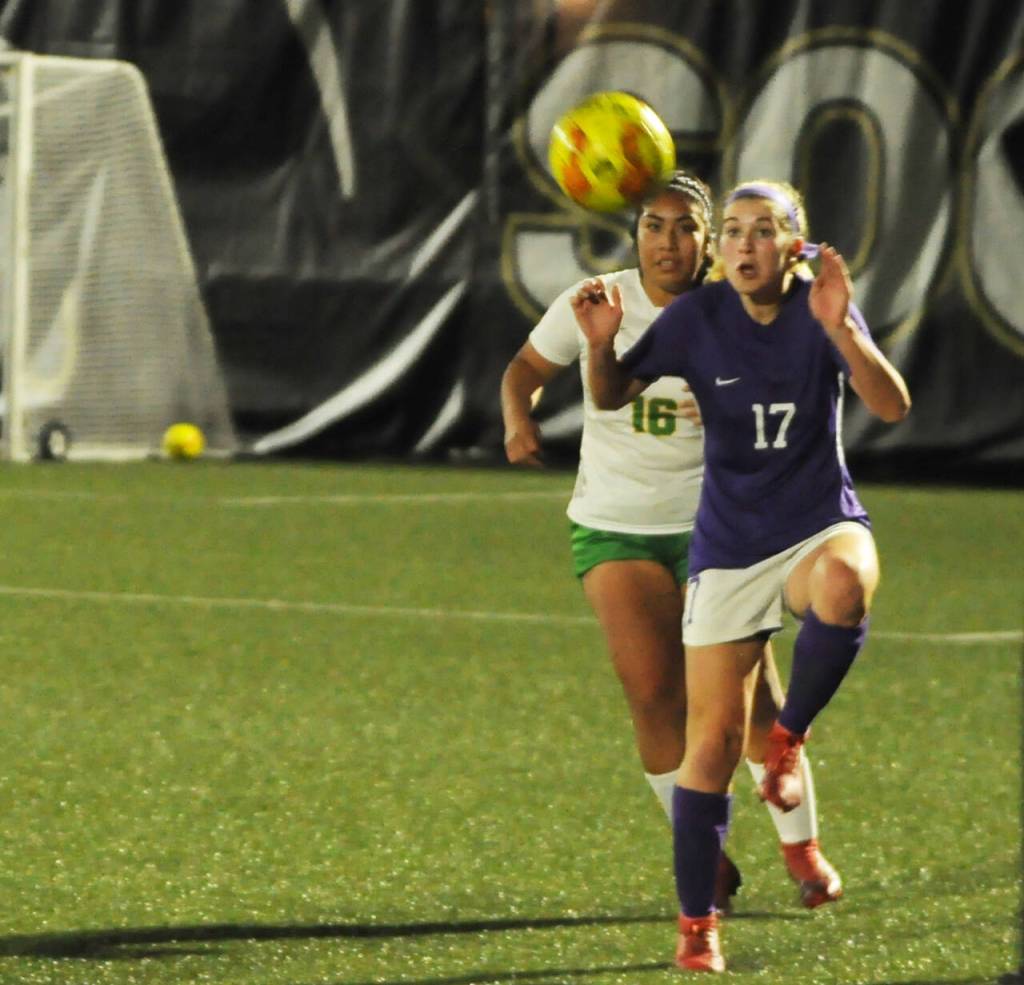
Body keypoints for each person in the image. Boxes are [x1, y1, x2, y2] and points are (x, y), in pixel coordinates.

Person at [577, 178, 910, 973]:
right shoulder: (699, 315)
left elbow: (892, 406)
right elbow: (611, 392)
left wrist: (844, 332)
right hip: (728, 544)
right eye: (732, 231)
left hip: (815, 524)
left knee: (843, 585)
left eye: (764, 230)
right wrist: (599, 342)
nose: (743, 244)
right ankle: (698, 925)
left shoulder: (817, 306)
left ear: (794, 245)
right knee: (713, 743)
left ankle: (789, 738)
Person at [501, 172, 843, 919]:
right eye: (652, 226)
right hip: (614, 523)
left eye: (685, 226)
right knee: (655, 696)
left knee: (753, 709)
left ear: (709, 240)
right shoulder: (602, 301)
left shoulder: (739, 308)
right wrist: (517, 417)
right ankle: (703, 851)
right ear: (635, 238)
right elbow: (527, 370)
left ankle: (801, 847)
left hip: (719, 529)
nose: (667, 241)